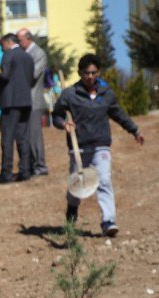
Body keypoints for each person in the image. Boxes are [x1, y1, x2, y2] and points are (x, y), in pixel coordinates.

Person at [51, 53, 144, 237]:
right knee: (77, 185)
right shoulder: (70, 94)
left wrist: (134, 130)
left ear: (99, 72)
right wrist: (64, 124)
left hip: (101, 145)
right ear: (80, 73)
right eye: (86, 73)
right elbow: (56, 116)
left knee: (104, 181)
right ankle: (72, 211)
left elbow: (118, 114)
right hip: (79, 147)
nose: (90, 76)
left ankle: (109, 221)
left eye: (94, 72)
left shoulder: (106, 93)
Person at [0, 33, 35, 182]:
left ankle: (7, 173)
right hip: (25, 100)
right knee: (23, 137)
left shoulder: (8, 55)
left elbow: (5, 75)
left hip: (10, 102)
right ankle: (25, 171)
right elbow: (31, 78)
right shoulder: (28, 56)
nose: (2, 48)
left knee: (8, 138)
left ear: (7, 42)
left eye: (2, 45)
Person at [17, 28, 49, 177]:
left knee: (34, 135)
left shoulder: (39, 53)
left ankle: (40, 166)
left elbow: (33, 74)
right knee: (26, 136)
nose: (18, 43)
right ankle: (29, 165)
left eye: (20, 40)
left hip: (34, 101)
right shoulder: (24, 53)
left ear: (28, 38)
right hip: (24, 100)